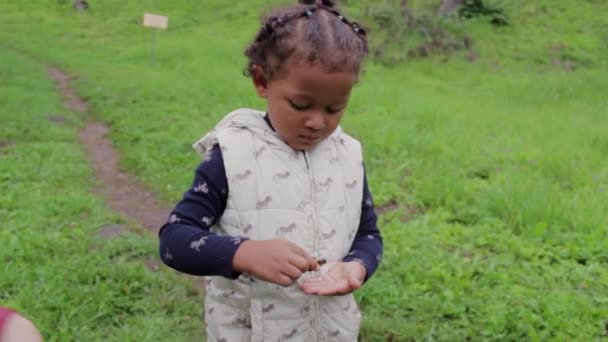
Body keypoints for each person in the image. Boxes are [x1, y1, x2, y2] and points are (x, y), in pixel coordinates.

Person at [159, 0, 383, 340]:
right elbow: (174, 240)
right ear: (263, 82)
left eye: (335, 108)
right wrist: (243, 252)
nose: (317, 121)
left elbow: (368, 234)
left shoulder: (348, 155)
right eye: (301, 104)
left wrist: (357, 267)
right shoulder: (232, 155)